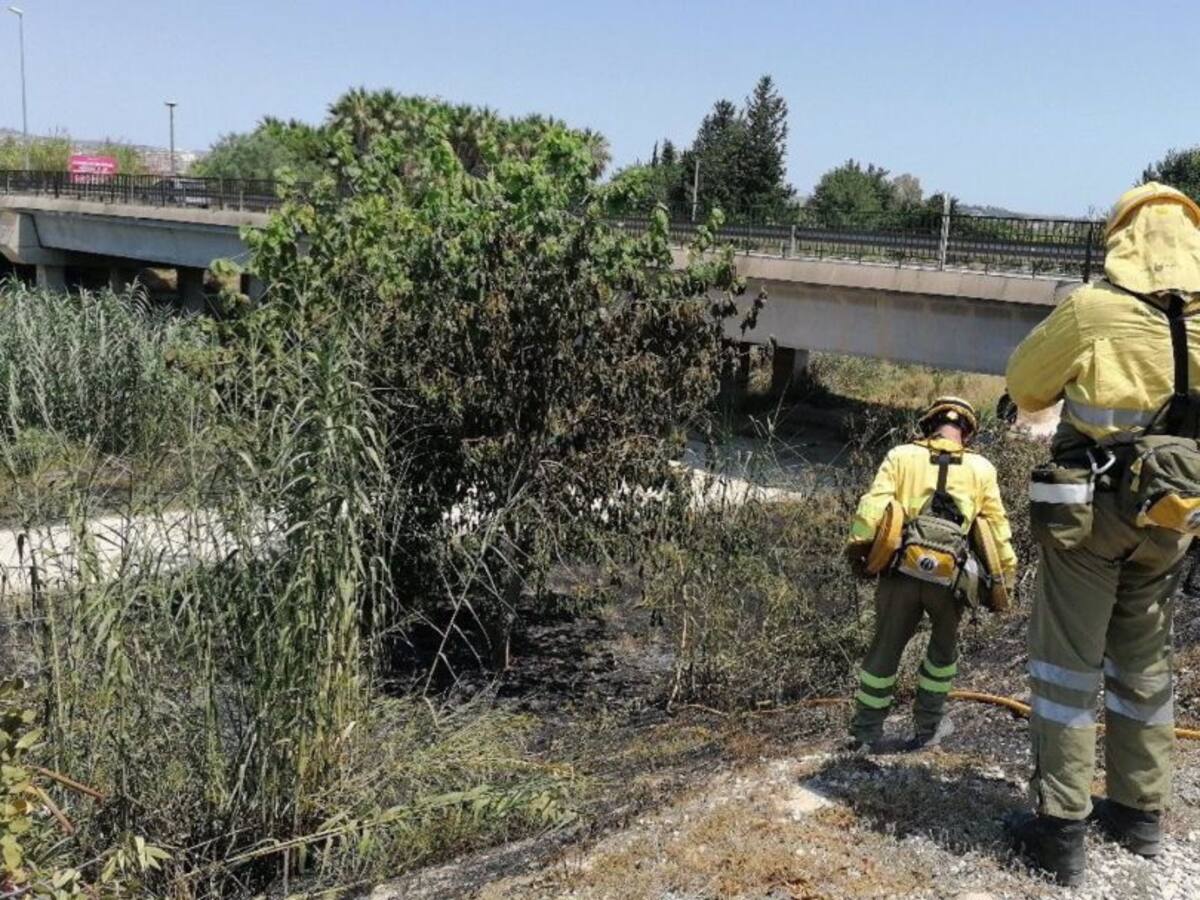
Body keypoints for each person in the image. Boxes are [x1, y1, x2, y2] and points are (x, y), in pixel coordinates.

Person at [1005, 182, 1200, 886]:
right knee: (1145, 667)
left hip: (1093, 514)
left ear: (1123, 240)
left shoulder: (1093, 310)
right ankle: (1139, 815)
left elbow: (1026, 387)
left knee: (1066, 667)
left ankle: (1060, 832)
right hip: (1173, 517)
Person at [845, 397, 1016, 752]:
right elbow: (997, 531)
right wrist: (1005, 581)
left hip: (900, 575)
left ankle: (865, 734)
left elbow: (873, 507)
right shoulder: (982, 469)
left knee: (884, 651)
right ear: (966, 434)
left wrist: (859, 551)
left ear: (928, 426)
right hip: (950, 580)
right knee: (942, 655)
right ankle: (927, 729)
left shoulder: (901, 456)